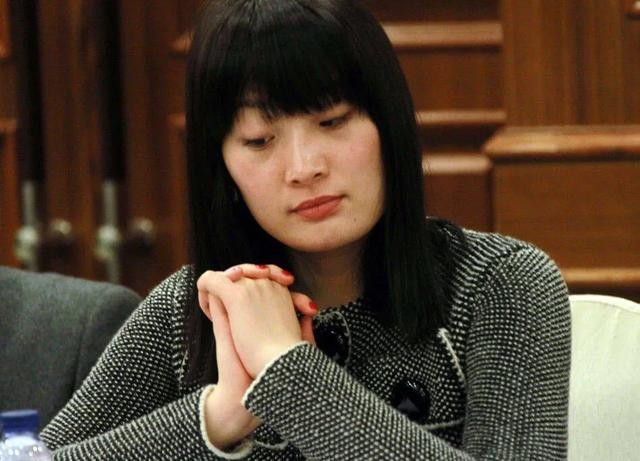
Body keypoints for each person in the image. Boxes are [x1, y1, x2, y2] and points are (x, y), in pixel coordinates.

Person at [40, 0, 571, 459]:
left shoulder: (499, 283)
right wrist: (217, 418)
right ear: (222, 165)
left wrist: (283, 367)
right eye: (259, 140)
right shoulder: (191, 310)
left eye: (332, 121)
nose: (304, 167)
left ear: (389, 123)